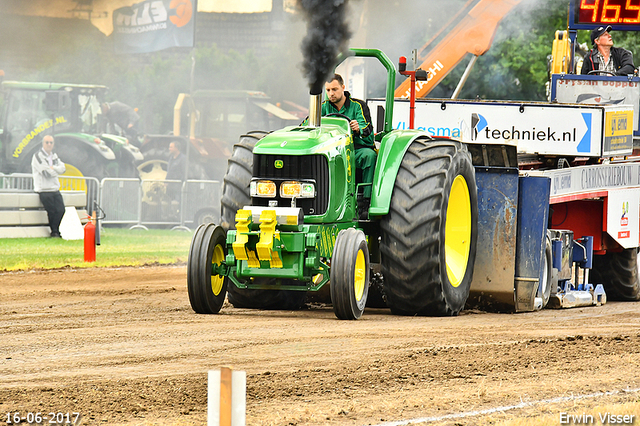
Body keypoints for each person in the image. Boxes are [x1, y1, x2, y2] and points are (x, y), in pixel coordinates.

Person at [322, 73, 376, 218]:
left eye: (334, 89)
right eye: (328, 90)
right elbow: (307, 124)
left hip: (355, 149)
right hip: (331, 150)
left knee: (369, 156)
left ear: (343, 87)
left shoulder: (358, 106)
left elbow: (368, 131)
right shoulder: (322, 108)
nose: (331, 94)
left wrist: (358, 128)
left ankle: (365, 201)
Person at [31, 135, 66, 238]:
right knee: (52, 211)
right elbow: (46, 173)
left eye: (51, 142)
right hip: (44, 190)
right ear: (43, 143)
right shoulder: (37, 156)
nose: (49, 144)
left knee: (61, 210)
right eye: (47, 142)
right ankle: (55, 232)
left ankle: (55, 230)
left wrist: (53, 168)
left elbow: (63, 169)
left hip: (55, 188)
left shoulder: (54, 156)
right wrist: (56, 170)